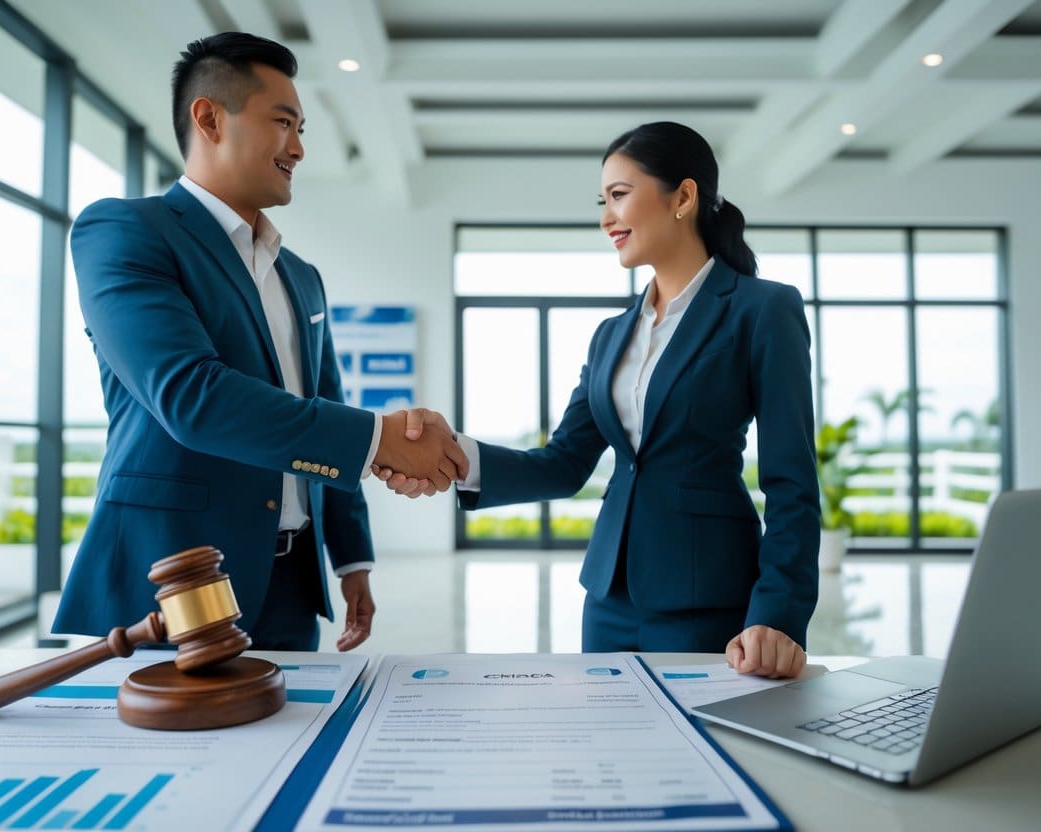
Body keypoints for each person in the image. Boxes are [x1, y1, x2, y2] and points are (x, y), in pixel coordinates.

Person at [53, 33, 466, 652]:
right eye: (284, 123)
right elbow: (192, 397)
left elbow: (326, 401)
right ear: (209, 117)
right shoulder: (124, 231)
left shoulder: (300, 276)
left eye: (301, 129)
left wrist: (352, 559)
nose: (298, 148)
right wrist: (384, 439)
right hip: (170, 582)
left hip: (292, 585)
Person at [377, 122, 819, 678]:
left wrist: (777, 617)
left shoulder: (762, 309)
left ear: (683, 197)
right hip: (607, 599)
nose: (606, 218)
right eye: (602, 200)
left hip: (706, 597)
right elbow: (563, 463)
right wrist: (452, 454)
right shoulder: (612, 334)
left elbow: (792, 484)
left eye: (619, 195)